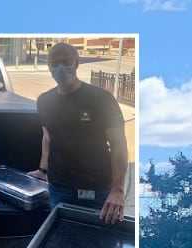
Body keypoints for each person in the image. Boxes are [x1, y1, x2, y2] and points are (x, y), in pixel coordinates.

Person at [31, 42, 128, 224]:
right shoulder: (44, 101)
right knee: (64, 240)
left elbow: (118, 144)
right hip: (59, 187)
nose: (60, 68)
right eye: (55, 63)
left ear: (76, 63)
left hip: (98, 188)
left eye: (66, 62)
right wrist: (43, 170)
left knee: (100, 242)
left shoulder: (101, 99)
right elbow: (48, 137)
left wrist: (117, 189)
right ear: (49, 67)